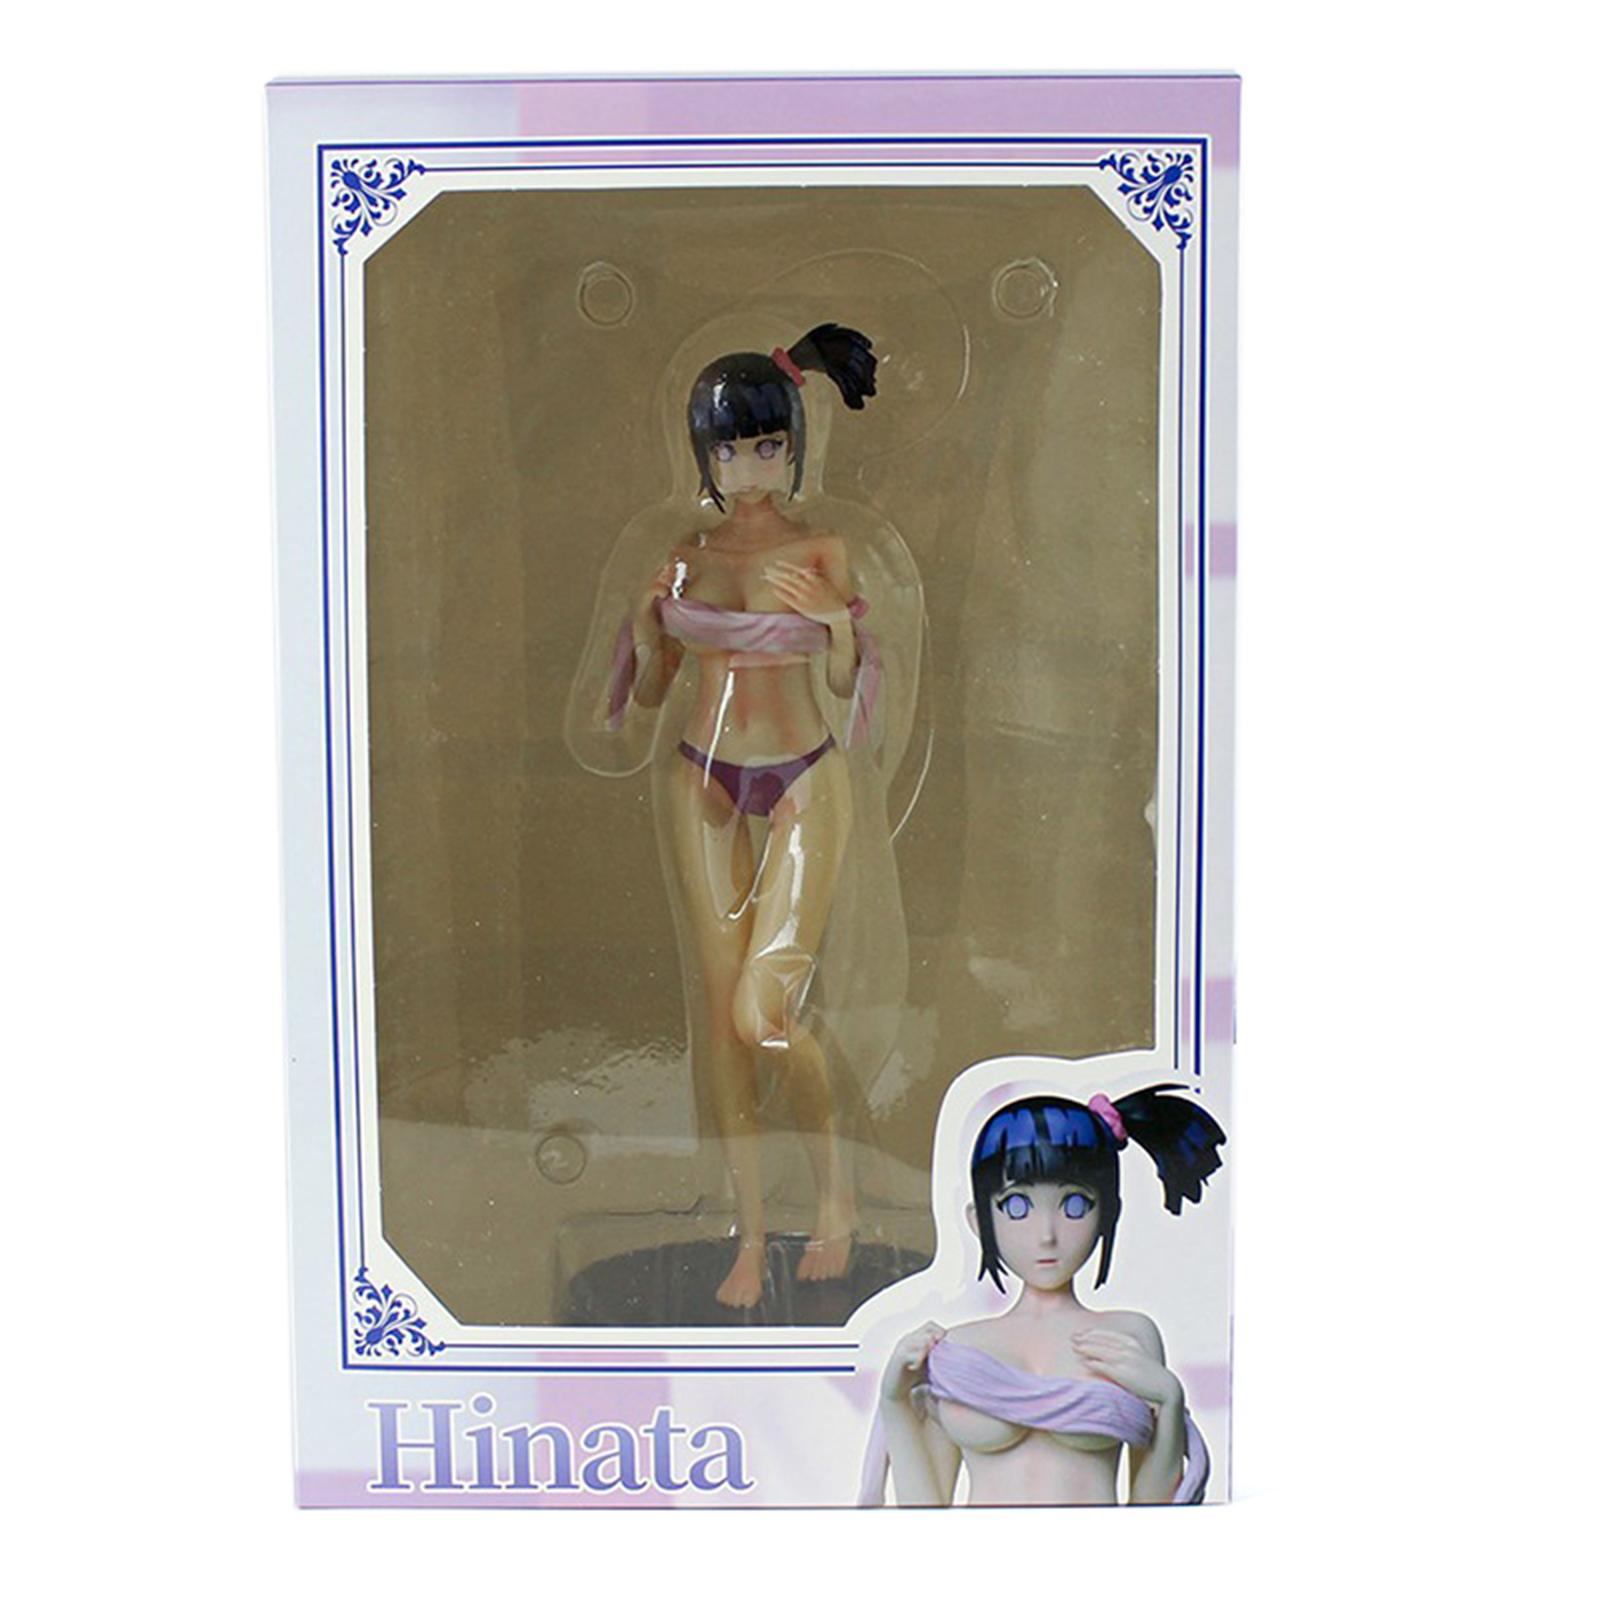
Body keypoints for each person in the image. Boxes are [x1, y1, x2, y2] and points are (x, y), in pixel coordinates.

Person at [573, 324, 918, 1309]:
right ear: (704, 457)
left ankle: (838, 1198)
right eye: (731, 450)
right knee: (723, 1023)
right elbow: (647, 696)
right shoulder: (684, 559)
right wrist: (650, 624)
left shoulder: (822, 549)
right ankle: (751, 1231)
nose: (750, 467)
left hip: (803, 772)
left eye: (767, 446)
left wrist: (834, 620)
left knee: (763, 1015)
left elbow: (852, 688)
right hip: (702, 773)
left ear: (793, 448)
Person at [865, 1088, 1224, 1504]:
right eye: (1016, 1206)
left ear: (1109, 1212)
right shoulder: (957, 1347)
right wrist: (893, 1401)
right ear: (979, 1220)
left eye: (1075, 1204)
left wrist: (1170, 1399)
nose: (1046, 1234)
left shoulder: (1129, 1335)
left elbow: (1151, 1509)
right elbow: (927, 1513)